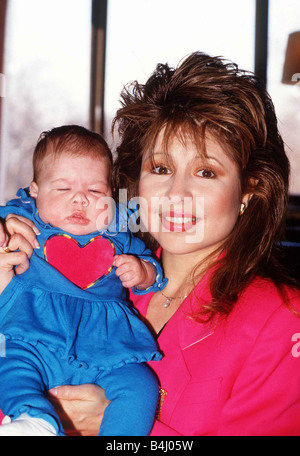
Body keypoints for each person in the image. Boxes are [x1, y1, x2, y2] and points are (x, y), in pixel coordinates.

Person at [1, 52, 300, 436]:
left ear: (248, 191)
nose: (176, 193)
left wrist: (113, 429)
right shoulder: (106, 277)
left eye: (206, 172)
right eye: (160, 169)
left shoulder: (281, 322)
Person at [0, 125, 167, 436]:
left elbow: (152, 268)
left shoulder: (117, 232)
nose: (79, 200)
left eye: (94, 191)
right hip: (33, 336)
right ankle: (33, 418)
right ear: (35, 191)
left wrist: (143, 273)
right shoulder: (24, 221)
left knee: (141, 385)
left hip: (105, 345)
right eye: (63, 189)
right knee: (8, 362)